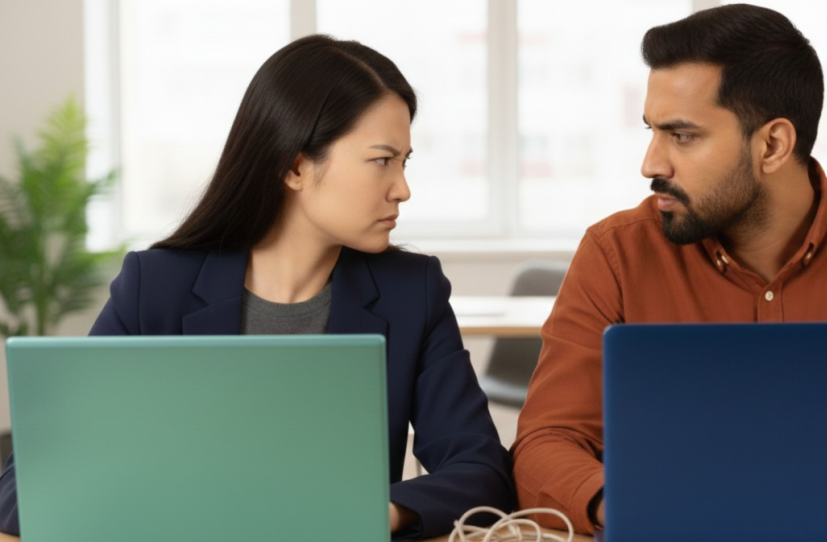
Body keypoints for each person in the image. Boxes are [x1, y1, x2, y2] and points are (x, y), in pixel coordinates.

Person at [511, 4, 827, 533]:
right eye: (652, 131)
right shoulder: (615, 253)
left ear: (773, 145)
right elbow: (545, 443)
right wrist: (626, 509)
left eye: (682, 135)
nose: (651, 163)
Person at [0, 34, 515, 540]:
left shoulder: (413, 292)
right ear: (294, 166)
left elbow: (481, 469)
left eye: (404, 162)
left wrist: (375, 514)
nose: (403, 188)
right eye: (382, 160)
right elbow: (23, 487)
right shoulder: (155, 286)